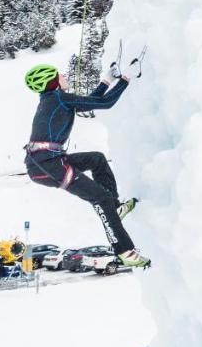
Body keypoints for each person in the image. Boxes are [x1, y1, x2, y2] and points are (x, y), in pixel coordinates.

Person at [23, 62, 149, 268]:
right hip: (47, 165)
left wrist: (107, 80)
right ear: (52, 82)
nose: (63, 75)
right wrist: (126, 78)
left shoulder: (54, 99)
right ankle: (124, 251)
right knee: (100, 198)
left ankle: (115, 209)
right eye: (58, 75)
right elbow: (106, 103)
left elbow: (93, 101)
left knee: (97, 159)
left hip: (47, 162)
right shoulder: (58, 99)